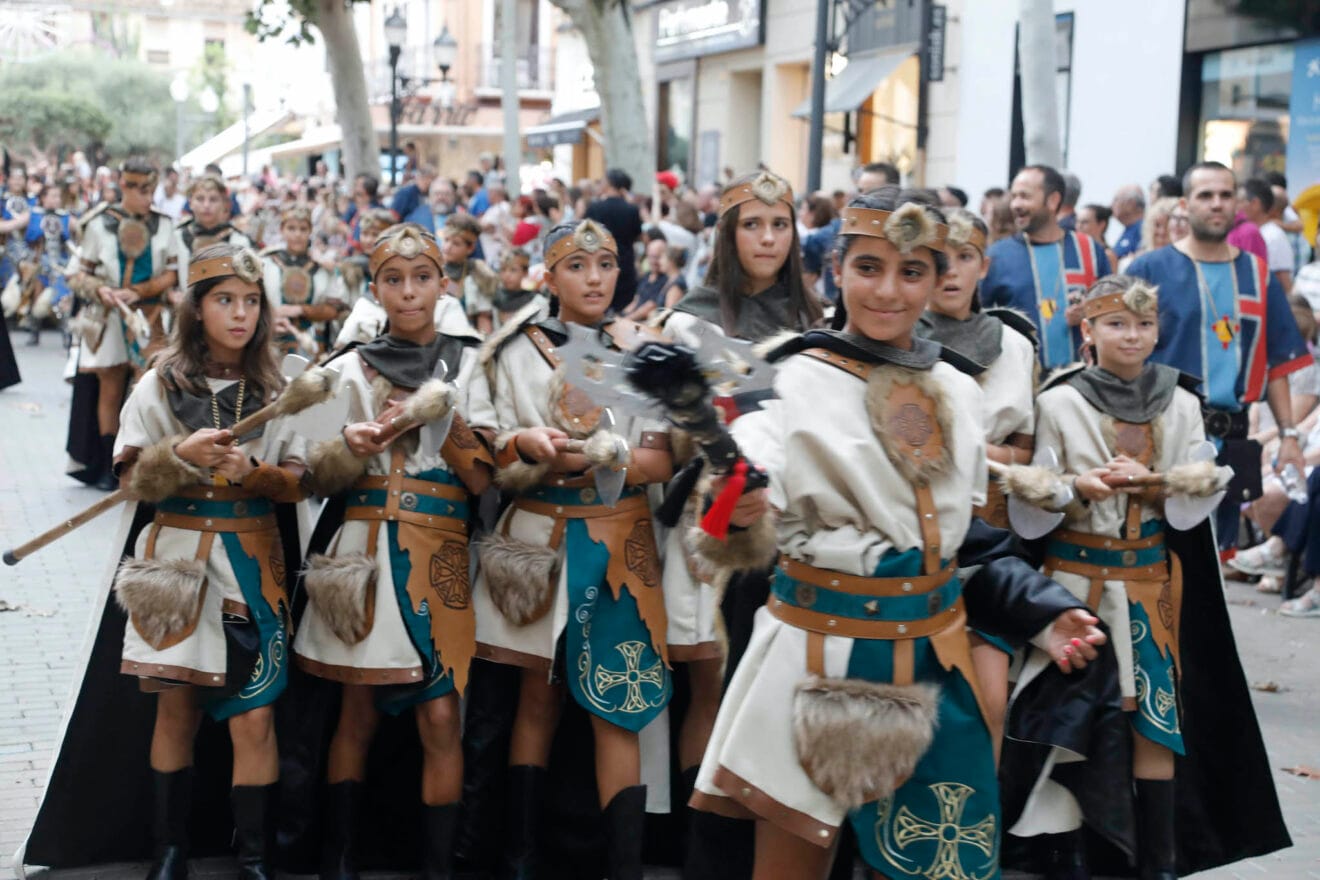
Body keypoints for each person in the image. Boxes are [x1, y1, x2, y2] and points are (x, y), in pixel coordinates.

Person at [689, 188, 1107, 880]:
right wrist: (737, 501)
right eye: (869, 267)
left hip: (933, 655)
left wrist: (1042, 611)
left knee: (940, 864)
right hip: (815, 656)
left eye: (911, 272)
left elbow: (961, 540)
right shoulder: (786, 374)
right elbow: (745, 474)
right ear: (836, 273)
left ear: (938, 278)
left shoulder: (959, 390)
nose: (888, 290)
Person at [22, 243, 307, 880]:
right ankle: (170, 851)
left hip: (253, 569)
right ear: (197, 308)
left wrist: (251, 470)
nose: (240, 314)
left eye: (251, 301)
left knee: (255, 713)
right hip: (176, 568)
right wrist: (181, 455)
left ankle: (255, 857)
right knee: (174, 709)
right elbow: (129, 476)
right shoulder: (159, 383)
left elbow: (299, 479)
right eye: (224, 300)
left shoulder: (277, 390)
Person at [1004, 274, 1291, 880]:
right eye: (1115, 324)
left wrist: (1160, 481)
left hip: (1149, 591)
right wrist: (1074, 487)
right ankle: (1065, 856)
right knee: (1067, 722)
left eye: (1143, 324)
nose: (1131, 336)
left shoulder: (1183, 403)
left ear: (1158, 330)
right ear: (1089, 331)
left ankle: (1154, 862)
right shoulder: (1058, 402)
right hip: (1074, 591)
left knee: (1156, 722)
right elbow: (1030, 518)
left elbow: (1194, 503)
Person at [467, 219, 674, 879]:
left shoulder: (647, 350)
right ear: (548, 277)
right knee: (536, 697)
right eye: (578, 265)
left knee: (620, 706)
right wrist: (523, 445)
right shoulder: (510, 351)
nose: (594, 277)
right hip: (539, 538)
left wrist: (608, 458)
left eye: (606, 264)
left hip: (618, 538)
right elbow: (484, 442)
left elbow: (663, 457)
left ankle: (624, 868)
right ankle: (523, 858)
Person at [294, 224, 494, 879]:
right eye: (393, 280)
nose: (409, 293)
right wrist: (349, 447)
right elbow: (314, 479)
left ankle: (440, 866)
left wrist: (445, 419)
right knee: (354, 709)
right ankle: (339, 859)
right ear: (374, 288)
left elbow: (487, 479)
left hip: (440, 559)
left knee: (442, 716)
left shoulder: (472, 364)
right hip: (366, 555)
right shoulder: (349, 366)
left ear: (444, 283)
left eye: (423, 278)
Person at [1127, 161, 1314, 554]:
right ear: (1185, 204)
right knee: (1154, 556)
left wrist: (1289, 437)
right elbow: (1121, 359)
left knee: (1213, 563)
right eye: (1205, 195)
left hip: (1232, 439)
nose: (1217, 204)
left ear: (1238, 204)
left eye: (1226, 195)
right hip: (1162, 435)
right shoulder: (1149, 268)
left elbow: (1278, 362)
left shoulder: (1257, 274)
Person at [66, 157, 182, 490]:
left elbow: (172, 274)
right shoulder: (100, 223)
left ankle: (140, 464)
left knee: (145, 389)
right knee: (110, 388)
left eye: (151, 190)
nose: (148, 197)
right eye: (141, 190)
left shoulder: (165, 225)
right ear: (125, 186)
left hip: (149, 318)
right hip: (107, 318)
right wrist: (100, 289)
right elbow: (78, 275)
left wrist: (138, 292)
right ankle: (108, 466)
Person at [981, 164, 1111, 370]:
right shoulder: (997, 256)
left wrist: (1088, 313)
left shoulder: (1089, 250)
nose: (1015, 204)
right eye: (1013, 196)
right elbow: (979, 320)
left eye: (1024, 196)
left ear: (1053, 201)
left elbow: (1113, 313)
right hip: (1020, 384)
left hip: (1083, 384)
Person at [261, 205, 337, 358]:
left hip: (311, 347)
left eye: (303, 229)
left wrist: (302, 310)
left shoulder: (322, 268)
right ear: (282, 230)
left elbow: (335, 310)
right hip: (271, 344)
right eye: (291, 228)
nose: (297, 234)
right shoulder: (266, 263)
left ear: (310, 231)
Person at [18, 181, 74, 347]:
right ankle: (34, 333)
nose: (57, 199)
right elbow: (22, 234)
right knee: (35, 296)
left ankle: (66, 334)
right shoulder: (33, 214)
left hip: (59, 263)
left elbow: (78, 230)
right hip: (39, 263)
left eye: (58, 196)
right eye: (53, 196)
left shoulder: (65, 216)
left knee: (61, 296)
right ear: (43, 198)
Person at [586, 168, 644, 311]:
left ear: (610, 183)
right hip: (625, 265)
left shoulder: (595, 207)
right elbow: (637, 235)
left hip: (600, 264)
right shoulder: (632, 209)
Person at [440, 213, 498, 335]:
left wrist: (483, 343)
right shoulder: (432, 269)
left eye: (456, 243)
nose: (447, 247)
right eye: (446, 240)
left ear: (470, 248)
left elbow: (483, 317)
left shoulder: (477, 272)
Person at [1242, 178, 1294, 294]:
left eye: (1240, 201)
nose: (1236, 207)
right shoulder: (1252, 233)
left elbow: (1285, 284)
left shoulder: (1273, 236)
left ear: (1255, 204)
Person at [622, 236, 678, 321]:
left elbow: (650, 306)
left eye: (657, 257)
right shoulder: (647, 275)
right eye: (650, 256)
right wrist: (622, 315)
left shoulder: (666, 280)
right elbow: (636, 300)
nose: (653, 261)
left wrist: (626, 319)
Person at [491, 247, 547, 330]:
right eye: (503, 269)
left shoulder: (538, 302)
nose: (507, 275)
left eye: (513, 270)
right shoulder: (497, 300)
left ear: (525, 272)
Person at [389, 164, 439, 234]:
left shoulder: (431, 194)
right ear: (419, 178)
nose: (431, 182)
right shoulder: (405, 193)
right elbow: (393, 216)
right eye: (429, 179)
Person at [1076, 203, 1119, 271]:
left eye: (1085, 222)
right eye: (1077, 222)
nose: (1079, 226)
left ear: (1101, 224)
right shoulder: (1075, 251)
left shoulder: (1108, 255)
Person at [1111, 184, 1145, 259]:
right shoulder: (1128, 230)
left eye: (1116, 200)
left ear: (1131, 203)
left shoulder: (1145, 229)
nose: (1111, 205)